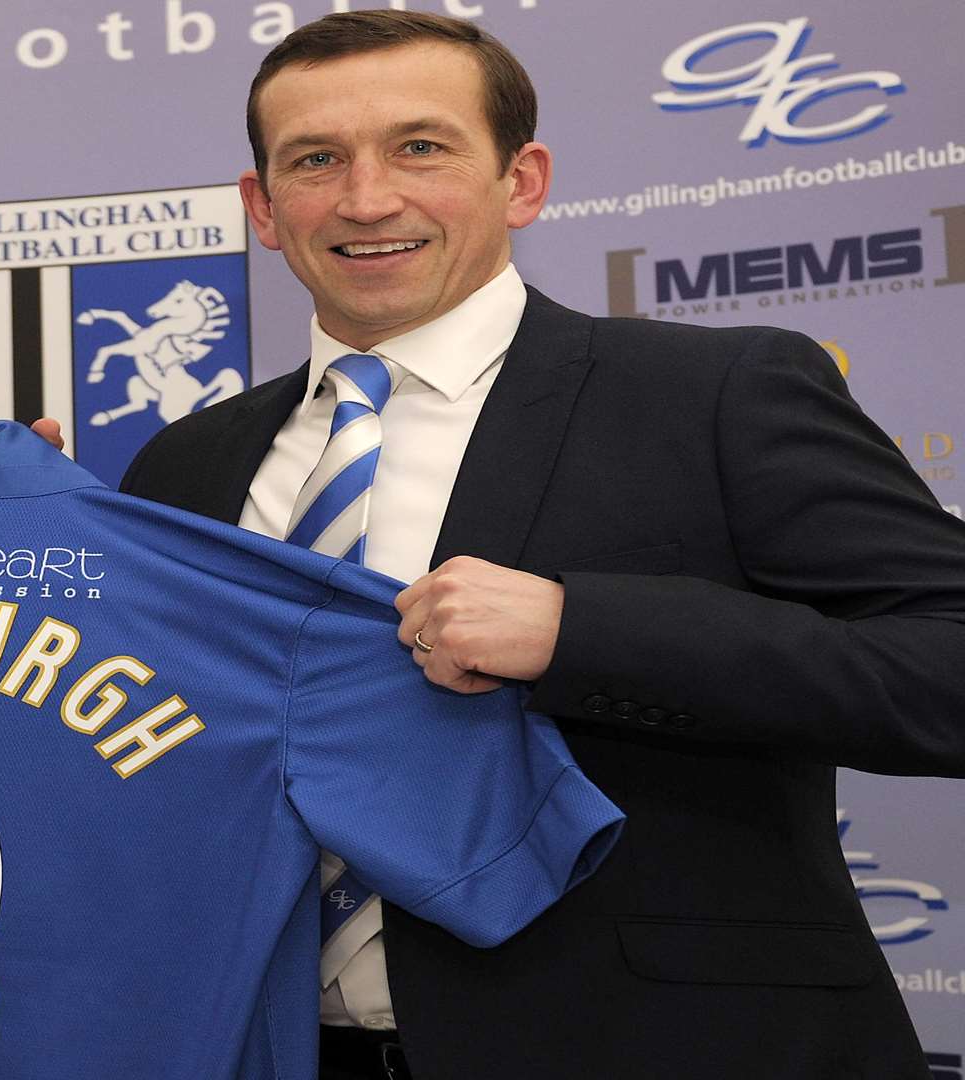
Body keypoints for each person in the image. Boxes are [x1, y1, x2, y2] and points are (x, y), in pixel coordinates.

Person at [115, 10, 965, 1079]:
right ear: (264, 208)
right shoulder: (180, 468)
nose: (367, 198)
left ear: (523, 181)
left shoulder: (717, 393)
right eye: (316, 161)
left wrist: (587, 628)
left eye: (421, 147)